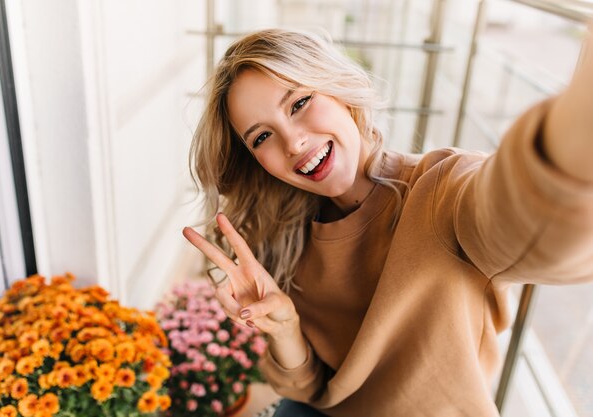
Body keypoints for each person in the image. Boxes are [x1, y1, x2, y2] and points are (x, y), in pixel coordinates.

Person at [182, 27, 593, 417]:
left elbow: (535, 223)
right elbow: (311, 390)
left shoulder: (442, 191)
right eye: (261, 137)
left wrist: (569, 143)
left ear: (339, 88)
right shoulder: (287, 232)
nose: (293, 142)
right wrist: (286, 329)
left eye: (300, 103)